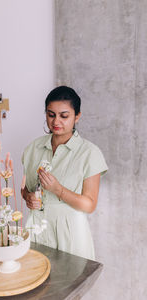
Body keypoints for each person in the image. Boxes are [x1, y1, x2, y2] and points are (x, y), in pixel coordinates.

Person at [21, 86, 108, 260]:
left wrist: (58, 189)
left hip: (70, 236)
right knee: (34, 282)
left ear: (77, 116)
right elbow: (24, 187)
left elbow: (89, 205)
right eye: (51, 114)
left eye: (64, 116)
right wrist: (27, 197)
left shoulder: (90, 153)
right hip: (36, 230)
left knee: (69, 282)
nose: (56, 122)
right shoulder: (33, 148)